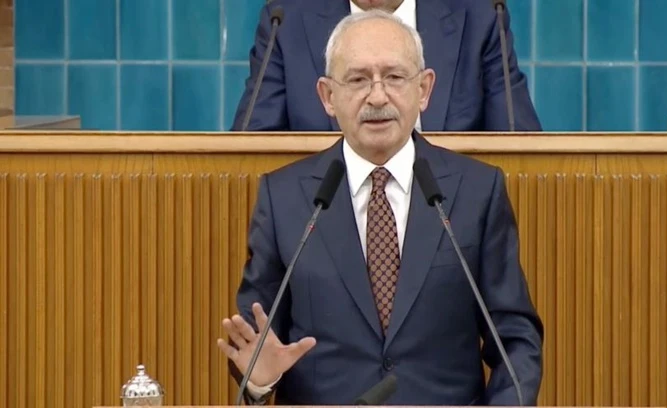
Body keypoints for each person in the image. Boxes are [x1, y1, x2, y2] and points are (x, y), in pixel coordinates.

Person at [217, 10, 543, 406]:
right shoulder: (283, 198)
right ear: (327, 96)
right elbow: (253, 345)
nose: (377, 96)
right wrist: (258, 379)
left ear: (424, 89)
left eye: (394, 77)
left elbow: (515, 341)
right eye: (357, 79)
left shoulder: (477, 191)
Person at [229, 0, 541, 132]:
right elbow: (249, 151)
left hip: (452, 225)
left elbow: (520, 148)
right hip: (323, 228)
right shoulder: (287, 19)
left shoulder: (479, 15)